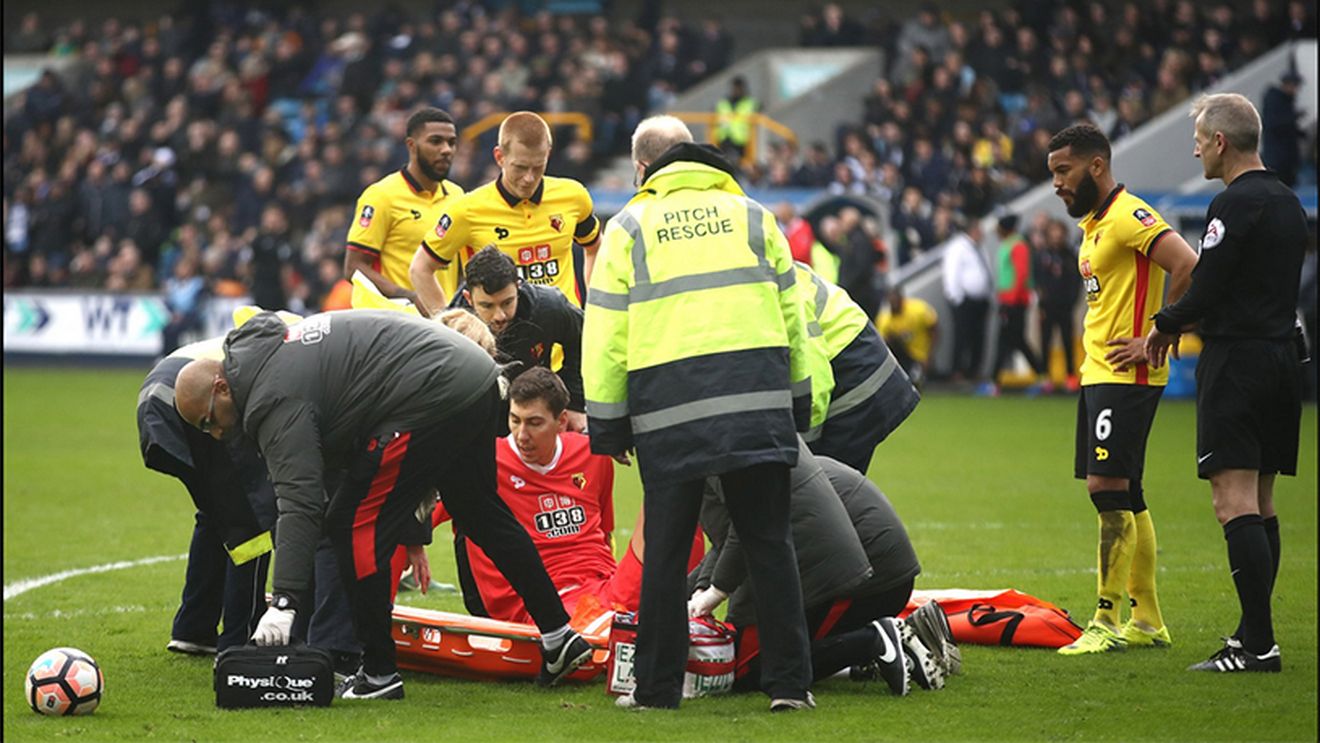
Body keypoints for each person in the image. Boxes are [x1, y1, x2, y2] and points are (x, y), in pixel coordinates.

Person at [172, 310, 593, 700]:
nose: (213, 433)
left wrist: (284, 603)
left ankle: (377, 672)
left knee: (353, 526)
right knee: (479, 511)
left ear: (222, 387)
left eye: (209, 419)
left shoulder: (271, 398)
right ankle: (558, 634)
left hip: (431, 391)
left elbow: (299, 501)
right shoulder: (272, 359)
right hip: (472, 378)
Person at [584, 115, 815, 711]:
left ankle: (658, 691)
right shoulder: (756, 217)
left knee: (663, 551)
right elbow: (796, 320)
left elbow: (607, 334)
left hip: (671, 412)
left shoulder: (630, 225)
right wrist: (799, 398)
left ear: (642, 170)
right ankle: (790, 686)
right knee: (768, 542)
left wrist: (608, 424)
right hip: (755, 403)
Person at [1145, 93, 1308, 673]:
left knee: (1231, 501)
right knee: (1261, 502)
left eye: (1198, 138)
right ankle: (1251, 631)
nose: (1194, 148)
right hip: (1282, 360)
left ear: (1220, 142)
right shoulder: (1290, 202)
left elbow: (1208, 286)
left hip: (1237, 362)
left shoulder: (1231, 204)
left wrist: (1163, 327)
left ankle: (1259, 644)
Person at [1045, 123, 1199, 656]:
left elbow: (1186, 264)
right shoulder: (1095, 224)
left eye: (1063, 171)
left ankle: (1107, 617)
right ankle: (1149, 620)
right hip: (1099, 373)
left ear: (1096, 165)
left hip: (1126, 375)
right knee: (1126, 491)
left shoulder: (1132, 215)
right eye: (1052, 174)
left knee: (1105, 489)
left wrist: (1161, 329)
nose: (1057, 183)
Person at [689, 441, 950, 697]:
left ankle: (873, 639)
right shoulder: (762, 444)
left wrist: (716, 592)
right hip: (877, 574)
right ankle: (879, 651)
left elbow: (747, 528)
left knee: (750, 669)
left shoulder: (721, 453)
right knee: (779, 646)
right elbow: (730, 539)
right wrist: (695, 589)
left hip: (866, 581)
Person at [439, 367, 643, 624]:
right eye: (515, 420)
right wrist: (412, 544)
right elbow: (408, 512)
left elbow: (604, 533)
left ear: (562, 422)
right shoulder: (484, 461)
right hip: (540, 601)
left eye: (534, 423)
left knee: (664, 513)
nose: (522, 435)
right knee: (607, 626)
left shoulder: (592, 454)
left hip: (603, 586)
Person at [137, 335, 274, 656]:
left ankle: (194, 628)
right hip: (191, 399)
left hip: (153, 400)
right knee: (249, 524)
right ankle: (241, 640)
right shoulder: (292, 336)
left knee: (216, 513)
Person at [411, 111, 602, 312]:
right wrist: (449, 326)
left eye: (538, 167)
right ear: (499, 157)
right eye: (520, 167)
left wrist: (596, 305)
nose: (529, 178)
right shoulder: (467, 210)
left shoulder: (573, 196)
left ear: (548, 154)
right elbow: (420, 269)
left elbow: (596, 247)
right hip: (500, 339)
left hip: (564, 337)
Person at [794, 261, 920, 474]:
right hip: (862, 369)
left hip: (857, 380)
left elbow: (816, 377)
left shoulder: (772, 287)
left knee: (818, 488)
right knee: (824, 493)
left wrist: (807, 445)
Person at [449, 245, 587, 433]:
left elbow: (583, 339)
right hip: (477, 417)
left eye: (507, 302)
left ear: (518, 287)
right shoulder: (452, 328)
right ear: (469, 298)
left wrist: (575, 402)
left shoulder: (548, 306)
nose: (499, 315)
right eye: (487, 306)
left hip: (533, 410)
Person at [344, 107, 464, 304]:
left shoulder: (457, 196)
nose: (446, 150)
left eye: (452, 143)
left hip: (442, 323)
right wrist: (410, 298)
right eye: (435, 141)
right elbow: (354, 267)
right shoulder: (382, 195)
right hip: (394, 322)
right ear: (411, 145)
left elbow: (459, 267)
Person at [982, 213, 1045, 396]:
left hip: (1014, 302)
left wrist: (1011, 302)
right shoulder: (1009, 244)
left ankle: (996, 382)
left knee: (1007, 341)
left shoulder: (1018, 246)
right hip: (1008, 300)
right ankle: (1041, 375)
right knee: (1015, 340)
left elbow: (1020, 275)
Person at [1033, 218, 1083, 393]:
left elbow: (1077, 281)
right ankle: (1045, 377)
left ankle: (1070, 375)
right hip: (1047, 307)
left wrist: (1072, 301)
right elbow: (1037, 279)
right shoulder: (1041, 255)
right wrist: (1040, 303)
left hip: (1065, 306)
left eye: (1059, 233)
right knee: (1045, 341)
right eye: (1053, 233)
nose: (1056, 237)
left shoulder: (1070, 256)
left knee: (1067, 341)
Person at [941, 217, 993, 383]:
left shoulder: (980, 248)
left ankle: (974, 370)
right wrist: (956, 298)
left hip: (981, 300)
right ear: (972, 230)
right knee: (962, 336)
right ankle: (958, 371)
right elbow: (952, 273)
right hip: (964, 301)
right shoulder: (958, 247)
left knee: (979, 337)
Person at [877, 285, 939, 388]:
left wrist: (929, 356)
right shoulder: (885, 319)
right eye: (891, 301)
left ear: (902, 299)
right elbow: (881, 344)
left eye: (896, 300)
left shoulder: (918, 310)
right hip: (901, 358)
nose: (894, 304)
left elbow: (934, 329)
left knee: (916, 379)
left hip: (919, 356)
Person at [1260, 71, 1304, 187]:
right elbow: (1275, 124)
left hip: (1283, 157)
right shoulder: (1276, 101)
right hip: (1278, 157)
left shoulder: (1284, 101)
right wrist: (1293, 118)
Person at [714, 76, 758, 164]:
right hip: (724, 139)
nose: (736, 90)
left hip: (742, 141)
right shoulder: (722, 103)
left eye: (738, 88)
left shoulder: (751, 103)